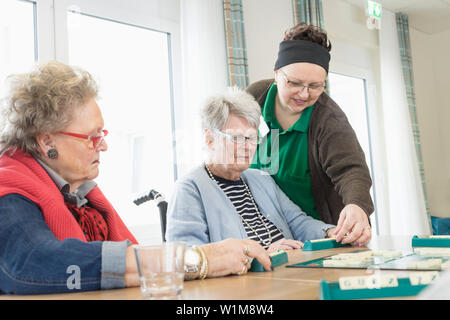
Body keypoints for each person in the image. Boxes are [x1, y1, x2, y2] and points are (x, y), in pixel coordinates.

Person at [0, 61, 271, 295]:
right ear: (47, 141)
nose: (103, 145)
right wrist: (197, 259)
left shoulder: (79, 192)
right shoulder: (8, 188)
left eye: (102, 135)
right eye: (92, 137)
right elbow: (31, 262)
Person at [166, 88, 336, 256]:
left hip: (289, 271)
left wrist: (331, 232)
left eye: (252, 138)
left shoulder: (261, 179)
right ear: (210, 139)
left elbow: (297, 222)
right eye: (237, 138)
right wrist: (260, 255)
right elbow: (187, 257)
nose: (247, 146)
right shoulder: (190, 188)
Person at [246, 22, 374, 247]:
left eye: (316, 86)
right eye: (295, 83)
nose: (304, 94)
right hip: (260, 238)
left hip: (316, 239)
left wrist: (356, 205)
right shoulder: (253, 99)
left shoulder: (329, 120)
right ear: (277, 74)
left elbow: (351, 170)